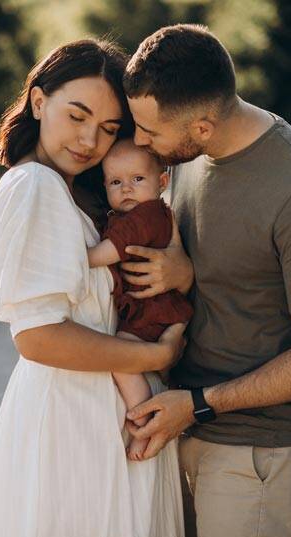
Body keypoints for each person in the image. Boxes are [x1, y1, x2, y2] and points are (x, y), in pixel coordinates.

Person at [118, 25, 291, 537]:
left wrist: (199, 403)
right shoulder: (186, 159)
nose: (139, 142)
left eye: (148, 130)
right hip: (182, 428)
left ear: (203, 127)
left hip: (260, 452)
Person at [0, 39, 186, 537]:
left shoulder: (74, 192)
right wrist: (155, 356)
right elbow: (38, 338)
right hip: (71, 419)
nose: (90, 139)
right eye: (77, 116)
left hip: (96, 411)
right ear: (38, 101)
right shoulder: (35, 187)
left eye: (109, 128)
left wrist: (178, 270)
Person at [87, 138, 194, 461]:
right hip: (156, 308)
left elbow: (110, 250)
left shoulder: (147, 215)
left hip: (154, 310)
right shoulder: (135, 214)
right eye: (116, 182)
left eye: (137, 179)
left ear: (162, 182)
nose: (127, 189)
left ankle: (143, 421)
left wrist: (80, 257)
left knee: (121, 357)